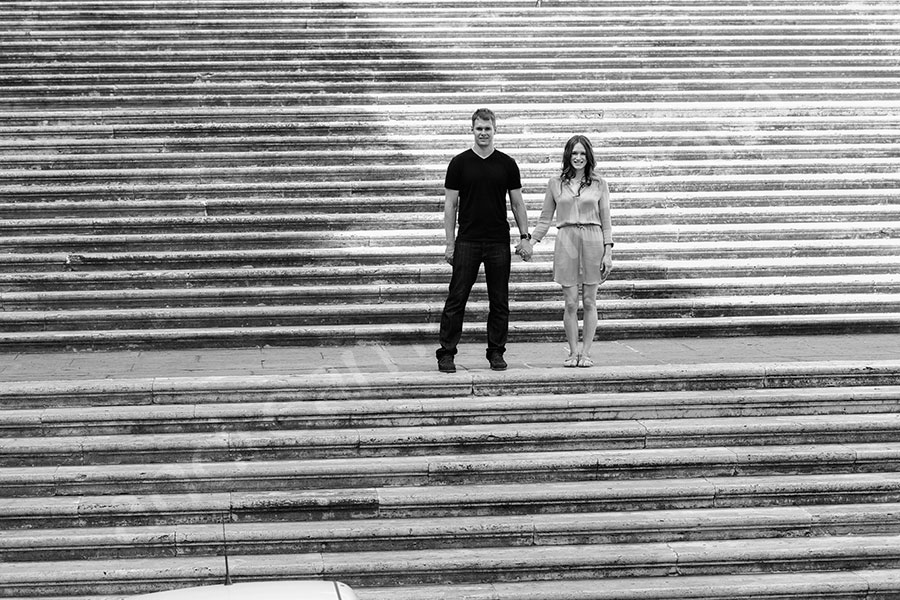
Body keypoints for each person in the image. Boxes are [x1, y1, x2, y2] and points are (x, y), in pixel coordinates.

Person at [435, 108, 532, 374]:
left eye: (487, 129)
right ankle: (446, 353)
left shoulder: (507, 164)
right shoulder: (459, 163)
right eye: (479, 128)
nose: (483, 133)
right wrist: (450, 242)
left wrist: (525, 237)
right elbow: (450, 205)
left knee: (499, 300)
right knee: (456, 298)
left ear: (495, 130)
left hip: (498, 241)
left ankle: (496, 352)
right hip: (467, 240)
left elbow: (517, 202)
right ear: (472, 130)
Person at [520, 134, 613, 367]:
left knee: (590, 301)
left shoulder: (599, 183)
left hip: (593, 239)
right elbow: (545, 219)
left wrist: (608, 251)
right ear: (567, 155)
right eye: (574, 153)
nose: (578, 157)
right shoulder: (555, 183)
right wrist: (530, 241)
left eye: (582, 153)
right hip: (567, 240)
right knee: (571, 302)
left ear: (588, 156)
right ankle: (573, 352)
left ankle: (587, 351)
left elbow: (606, 219)